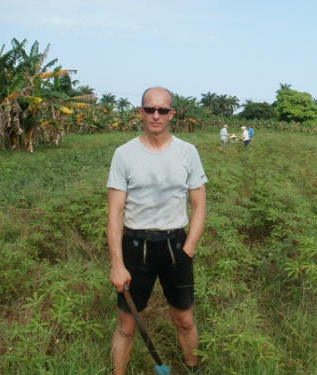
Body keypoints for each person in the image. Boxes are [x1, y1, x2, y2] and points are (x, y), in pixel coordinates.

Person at [107, 87, 207, 375]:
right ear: (141, 112)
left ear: (171, 114)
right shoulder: (124, 154)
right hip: (136, 247)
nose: (155, 115)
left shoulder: (188, 153)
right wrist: (117, 264)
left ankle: (193, 369)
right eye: (149, 109)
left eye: (162, 110)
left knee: (185, 319)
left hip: (176, 246)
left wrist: (188, 248)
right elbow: (114, 213)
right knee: (127, 325)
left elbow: (199, 206)